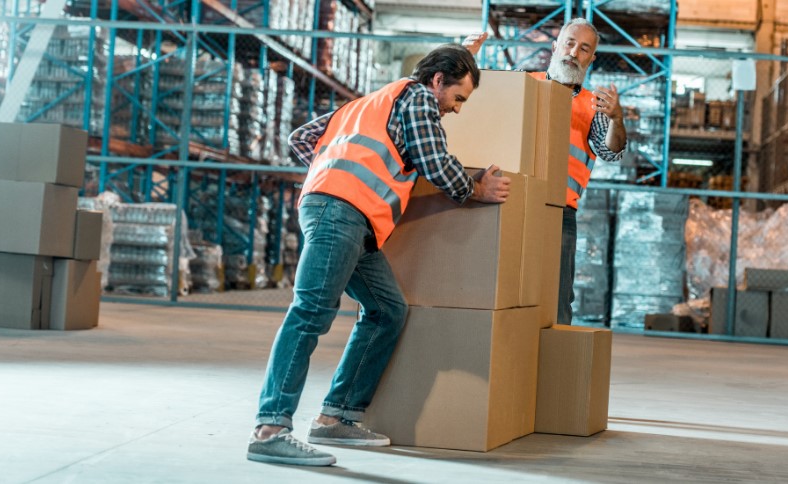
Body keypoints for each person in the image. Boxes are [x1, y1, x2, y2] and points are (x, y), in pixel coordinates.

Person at [246, 43, 511, 467]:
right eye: (458, 98)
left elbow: (302, 139)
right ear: (438, 81)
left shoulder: (367, 104)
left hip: (354, 219)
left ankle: (337, 416)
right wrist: (474, 188)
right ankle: (271, 428)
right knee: (310, 312)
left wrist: (328, 171)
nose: (457, 109)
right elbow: (435, 161)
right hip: (341, 210)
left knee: (388, 310)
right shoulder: (418, 97)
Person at [464, 18, 626, 325]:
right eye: (569, 43)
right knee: (501, 288)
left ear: (591, 59)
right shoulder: (524, 85)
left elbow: (612, 152)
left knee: (557, 298)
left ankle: (552, 368)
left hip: (559, 214)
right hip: (510, 201)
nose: (574, 52)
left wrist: (617, 119)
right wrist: (465, 58)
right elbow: (471, 100)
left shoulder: (595, 105)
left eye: (584, 49)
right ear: (555, 47)